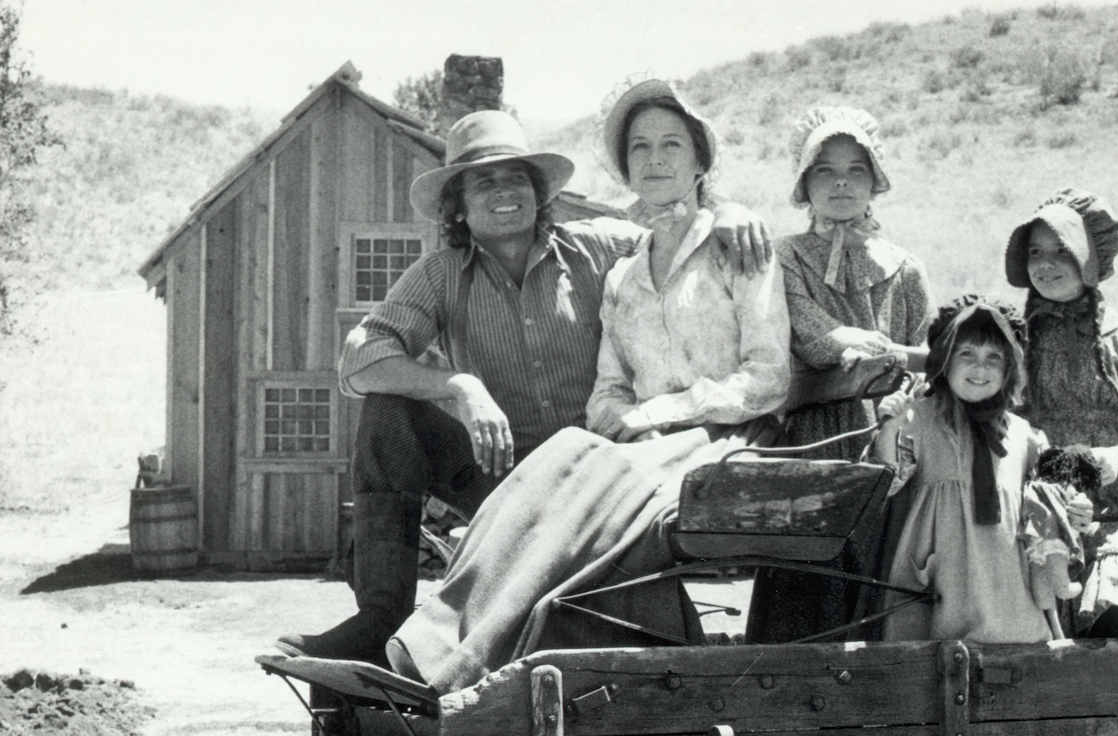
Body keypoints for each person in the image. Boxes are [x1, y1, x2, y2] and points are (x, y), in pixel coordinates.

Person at [277, 109, 773, 666]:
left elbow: (682, 239)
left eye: (516, 177)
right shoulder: (440, 275)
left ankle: (450, 649)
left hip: (602, 478)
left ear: (539, 193)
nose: (504, 191)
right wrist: (458, 385)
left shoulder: (601, 247)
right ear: (457, 207)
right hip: (499, 476)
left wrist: (726, 212)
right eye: (483, 182)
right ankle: (380, 618)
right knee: (389, 412)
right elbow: (359, 358)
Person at [384, 76, 791, 693]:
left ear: (701, 159)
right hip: (645, 448)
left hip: (729, 442)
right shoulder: (626, 270)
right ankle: (432, 638)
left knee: (602, 476)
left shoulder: (739, 250)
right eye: (640, 149)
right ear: (626, 168)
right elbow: (608, 388)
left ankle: (465, 666)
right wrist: (615, 420)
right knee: (560, 457)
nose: (655, 160)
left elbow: (768, 379)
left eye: (672, 146)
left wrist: (657, 414)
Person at [746, 106, 933, 644]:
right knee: (805, 586)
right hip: (813, 438)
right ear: (804, 183)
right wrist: (863, 350)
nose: (842, 181)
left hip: (890, 438)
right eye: (825, 170)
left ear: (876, 179)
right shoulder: (783, 259)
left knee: (881, 580)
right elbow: (811, 337)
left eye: (857, 168)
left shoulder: (905, 268)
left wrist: (892, 363)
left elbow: (929, 359)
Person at [1006, 188, 1118, 639]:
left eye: (1062, 252)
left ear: (1090, 258)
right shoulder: (1014, 340)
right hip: (1035, 509)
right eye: (1035, 252)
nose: (1045, 266)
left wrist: (1117, 459)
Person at [876, 297, 1056, 644]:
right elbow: (888, 481)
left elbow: (1051, 500)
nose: (980, 368)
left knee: (1012, 654)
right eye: (967, 355)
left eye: (994, 358)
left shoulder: (1022, 434)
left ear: (1010, 369)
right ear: (945, 359)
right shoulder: (919, 416)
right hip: (942, 575)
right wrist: (889, 427)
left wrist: (1076, 510)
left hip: (1005, 582)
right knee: (927, 657)